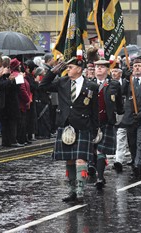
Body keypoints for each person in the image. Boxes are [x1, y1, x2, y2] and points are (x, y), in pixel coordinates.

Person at [39, 56, 99, 203]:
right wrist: (54, 71)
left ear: (79, 69)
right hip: (66, 126)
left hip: (83, 125)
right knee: (70, 161)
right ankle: (72, 191)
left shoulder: (91, 86)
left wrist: (96, 129)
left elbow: (94, 109)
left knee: (80, 160)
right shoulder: (62, 82)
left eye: (70, 67)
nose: (67, 69)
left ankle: (80, 191)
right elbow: (43, 86)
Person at [92, 59, 124, 189]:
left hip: (106, 121)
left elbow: (119, 104)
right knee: (92, 150)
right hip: (91, 122)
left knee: (101, 150)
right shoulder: (89, 83)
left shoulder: (114, 84)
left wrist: (119, 116)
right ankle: (93, 168)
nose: (99, 69)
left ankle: (100, 177)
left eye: (102, 67)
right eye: (97, 67)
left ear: (107, 70)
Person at [111, 61, 128, 172]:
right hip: (112, 113)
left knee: (121, 136)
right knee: (115, 136)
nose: (113, 73)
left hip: (125, 113)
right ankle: (116, 155)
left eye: (116, 71)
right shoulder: (109, 83)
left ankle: (119, 159)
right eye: (112, 71)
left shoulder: (127, 83)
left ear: (121, 73)